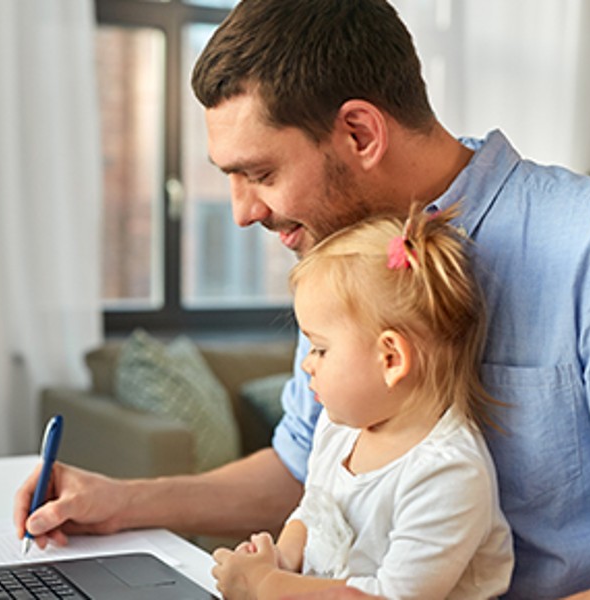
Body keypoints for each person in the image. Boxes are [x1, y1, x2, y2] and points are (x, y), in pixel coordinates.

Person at [14, 1, 590, 597]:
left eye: (257, 172)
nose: (244, 210)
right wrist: (124, 502)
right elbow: (304, 466)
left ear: (359, 132)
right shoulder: (347, 256)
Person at [211, 208, 514, 599]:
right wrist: (281, 561)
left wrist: (265, 585)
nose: (307, 364)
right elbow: (313, 513)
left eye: (320, 348)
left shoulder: (447, 473)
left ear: (390, 359)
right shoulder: (339, 428)